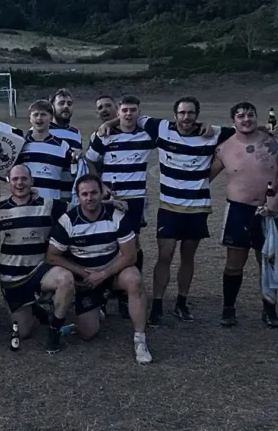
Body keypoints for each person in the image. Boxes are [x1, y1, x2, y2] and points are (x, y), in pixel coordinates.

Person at [144, 97, 232, 325]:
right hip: (169, 207)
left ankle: (181, 303)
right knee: (165, 255)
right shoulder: (161, 128)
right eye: (182, 113)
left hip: (197, 208)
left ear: (197, 115)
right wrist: (107, 124)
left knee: (188, 257)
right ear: (175, 115)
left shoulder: (212, 133)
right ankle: (157, 305)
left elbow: (243, 131)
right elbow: (130, 116)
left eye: (191, 113)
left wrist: (212, 127)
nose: (186, 117)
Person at [47, 175, 151, 363]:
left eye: (94, 192)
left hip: (112, 273)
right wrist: (83, 273)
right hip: (87, 280)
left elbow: (130, 255)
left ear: (102, 193)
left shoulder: (115, 215)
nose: (90, 197)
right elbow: (52, 255)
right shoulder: (68, 221)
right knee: (88, 333)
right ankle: (95, 312)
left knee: (134, 279)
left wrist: (103, 274)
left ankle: (140, 340)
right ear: (77, 196)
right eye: (84, 194)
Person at [210, 102, 278, 328]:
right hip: (238, 211)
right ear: (233, 121)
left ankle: (269, 310)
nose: (246, 119)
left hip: (268, 212)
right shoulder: (224, 148)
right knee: (234, 264)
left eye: (250, 115)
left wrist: (275, 202)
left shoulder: (274, 143)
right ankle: (228, 308)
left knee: (268, 262)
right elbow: (204, 176)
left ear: (256, 117)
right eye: (240, 116)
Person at [84, 95, 153, 319]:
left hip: (135, 200)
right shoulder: (103, 136)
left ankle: (127, 293)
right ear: (120, 111)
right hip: (110, 198)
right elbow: (89, 160)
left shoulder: (147, 134)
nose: (128, 114)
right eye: (125, 110)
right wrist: (100, 185)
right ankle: (103, 294)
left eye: (133, 110)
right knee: (107, 243)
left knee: (134, 244)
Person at [0, 165, 74, 353]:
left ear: (32, 181)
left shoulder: (48, 205)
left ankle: (54, 330)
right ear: (8, 182)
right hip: (12, 279)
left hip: (39, 272)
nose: (20, 183)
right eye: (15, 179)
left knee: (65, 279)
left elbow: (82, 209)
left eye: (24, 179)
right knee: (23, 333)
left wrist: (109, 203)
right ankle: (37, 308)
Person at [13, 100, 72, 201]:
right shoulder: (20, 145)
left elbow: (67, 179)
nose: (39, 118)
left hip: (52, 205)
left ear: (51, 118)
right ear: (30, 118)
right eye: (35, 114)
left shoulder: (63, 146)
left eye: (43, 114)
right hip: (26, 204)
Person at [50, 89, 83, 201]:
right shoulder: (41, 131)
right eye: (61, 103)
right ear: (52, 106)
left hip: (71, 194)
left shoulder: (76, 133)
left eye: (69, 104)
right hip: (49, 194)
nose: (66, 106)